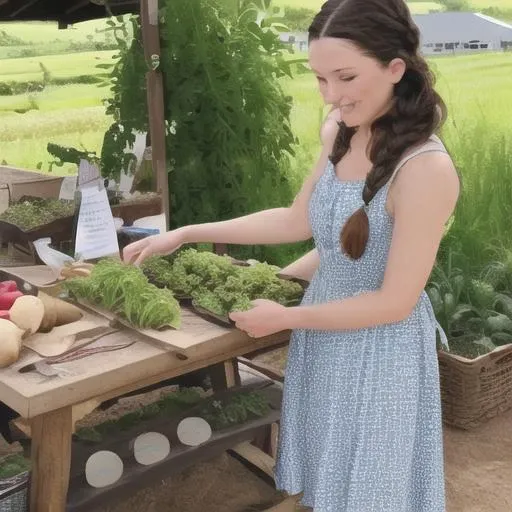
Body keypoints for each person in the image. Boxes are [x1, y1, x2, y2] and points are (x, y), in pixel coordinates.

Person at [123, 0, 460, 509]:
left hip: (380, 353)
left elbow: (393, 301)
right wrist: (185, 233)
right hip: (325, 338)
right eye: (320, 79)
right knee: (328, 479)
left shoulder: (425, 169)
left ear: (395, 68)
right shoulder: (340, 133)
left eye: (345, 77)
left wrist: (287, 314)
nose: (332, 96)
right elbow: (296, 220)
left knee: (371, 487)